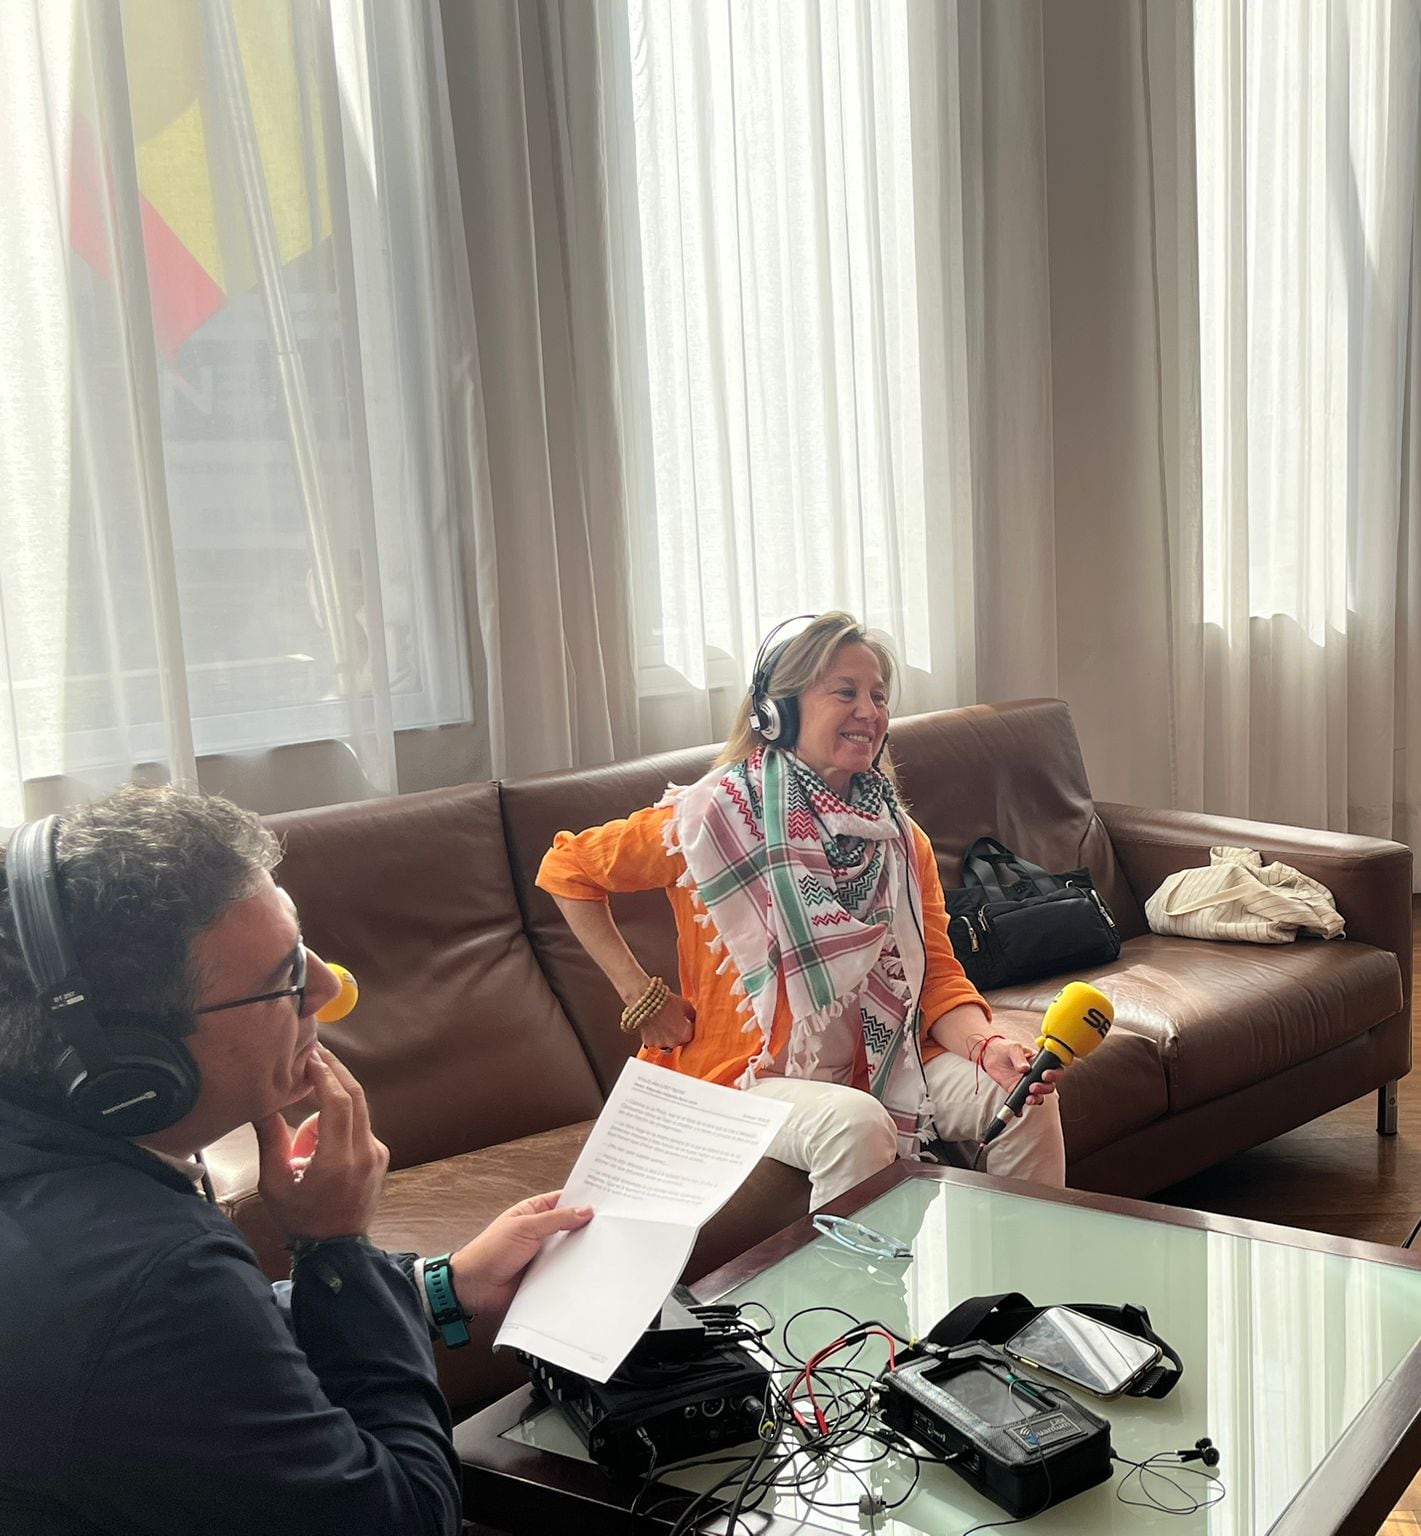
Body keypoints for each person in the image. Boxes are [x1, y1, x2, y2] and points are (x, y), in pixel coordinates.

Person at [0, 785, 593, 1535]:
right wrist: (336, 1246)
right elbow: (406, 1519)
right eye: (284, 978)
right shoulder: (144, 1275)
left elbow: (217, 1352)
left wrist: (440, 1288)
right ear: (135, 1066)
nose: (331, 987)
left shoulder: (65, 1192)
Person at [540, 612, 1066, 1209]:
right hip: (745, 1081)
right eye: (845, 692)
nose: (869, 711)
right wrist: (643, 998)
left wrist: (986, 1046)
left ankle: (1022, 1297)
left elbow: (937, 977)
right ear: (777, 711)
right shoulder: (709, 820)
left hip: (876, 1062)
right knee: (856, 1123)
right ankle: (849, 1306)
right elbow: (567, 870)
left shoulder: (898, 838)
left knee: (1021, 1098)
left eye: (879, 696)